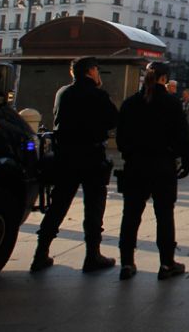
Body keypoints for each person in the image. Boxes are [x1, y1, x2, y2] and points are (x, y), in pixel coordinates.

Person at [31, 56, 119, 274]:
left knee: (58, 205)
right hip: (91, 155)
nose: (99, 74)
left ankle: (40, 253)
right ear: (90, 71)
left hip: (66, 156)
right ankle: (92, 255)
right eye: (97, 70)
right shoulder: (98, 95)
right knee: (94, 207)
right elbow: (113, 120)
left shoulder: (63, 93)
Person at [116, 61, 189, 280]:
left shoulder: (130, 103)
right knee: (164, 215)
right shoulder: (171, 103)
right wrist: (185, 160)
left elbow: (121, 138)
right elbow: (182, 136)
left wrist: (131, 153)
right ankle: (167, 264)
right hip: (162, 165)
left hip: (135, 165)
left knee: (130, 215)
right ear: (164, 78)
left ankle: (127, 263)